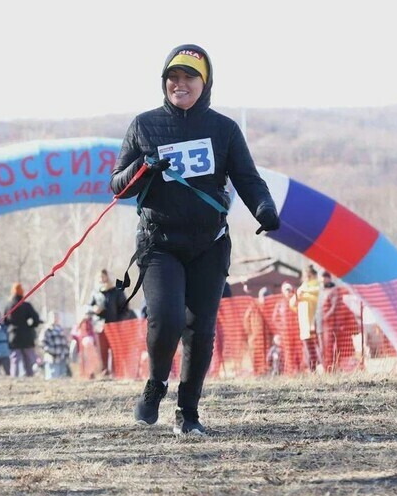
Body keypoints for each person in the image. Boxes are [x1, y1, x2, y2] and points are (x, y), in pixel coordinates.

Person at [110, 44, 279, 434]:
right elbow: (118, 186)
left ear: (205, 83)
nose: (180, 84)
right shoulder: (144, 125)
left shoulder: (224, 130)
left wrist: (265, 209)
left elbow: (248, 179)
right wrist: (143, 167)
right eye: (173, 77)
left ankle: (188, 414)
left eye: (189, 77)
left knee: (200, 331)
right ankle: (155, 384)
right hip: (160, 243)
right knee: (166, 319)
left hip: (209, 243)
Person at [89, 269, 130, 374]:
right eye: (99, 277)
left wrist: (118, 322)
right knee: (102, 350)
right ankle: (104, 371)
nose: (101, 279)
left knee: (115, 349)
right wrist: (94, 309)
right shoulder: (95, 292)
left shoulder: (117, 291)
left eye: (103, 276)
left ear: (108, 277)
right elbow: (88, 307)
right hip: (100, 326)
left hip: (114, 326)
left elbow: (125, 309)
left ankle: (116, 372)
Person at [2, 283, 41, 377]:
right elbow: (36, 319)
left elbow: (4, 321)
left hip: (14, 336)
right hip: (26, 335)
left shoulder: (9, 306)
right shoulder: (26, 305)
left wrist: (11, 327)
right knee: (28, 359)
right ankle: (30, 377)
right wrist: (30, 326)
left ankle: (14, 378)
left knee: (15, 359)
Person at [291, 265, 321, 373]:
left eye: (308, 275)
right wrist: (297, 296)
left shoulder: (317, 286)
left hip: (315, 323)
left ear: (313, 275)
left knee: (319, 347)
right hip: (304, 325)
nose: (306, 278)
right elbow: (292, 303)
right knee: (309, 349)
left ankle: (323, 367)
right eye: (305, 276)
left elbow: (317, 295)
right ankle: (313, 370)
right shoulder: (302, 288)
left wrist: (304, 295)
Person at [272, 283, 303, 374]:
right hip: (286, 333)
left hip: (297, 332)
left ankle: (298, 370)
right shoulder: (280, 304)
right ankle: (290, 371)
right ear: (283, 291)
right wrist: (281, 329)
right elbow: (275, 319)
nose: (288, 292)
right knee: (288, 352)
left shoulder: (296, 301)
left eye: (290, 290)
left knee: (298, 351)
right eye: (286, 290)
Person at [242, 287, 271, 376]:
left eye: (267, 297)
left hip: (267, 338)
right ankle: (256, 373)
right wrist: (251, 334)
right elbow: (246, 321)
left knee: (267, 355)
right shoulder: (253, 307)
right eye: (264, 296)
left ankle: (266, 372)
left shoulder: (270, 307)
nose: (265, 299)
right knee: (255, 355)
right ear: (260, 296)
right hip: (255, 337)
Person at [41, 311, 70, 379]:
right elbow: (42, 343)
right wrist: (51, 351)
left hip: (62, 358)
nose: (55, 319)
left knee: (62, 378)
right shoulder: (47, 329)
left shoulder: (61, 329)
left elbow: (65, 342)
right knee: (52, 378)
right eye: (53, 317)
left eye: (57, 317)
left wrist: (66, 353)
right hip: (52, 359)